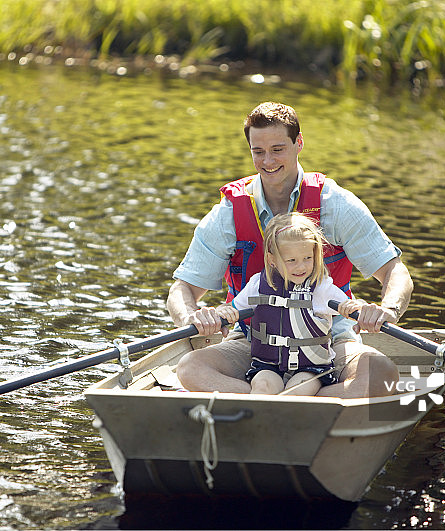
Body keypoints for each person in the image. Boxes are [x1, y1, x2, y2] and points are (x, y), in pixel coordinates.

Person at [166, 101, 412, 398]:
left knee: (382, 374)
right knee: (190, 368)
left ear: (299, 144)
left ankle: (283, 403)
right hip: (253, 340)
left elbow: (394, 272)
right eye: (258, 152)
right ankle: (285, 403)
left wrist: (387, 310)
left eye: (278, 149)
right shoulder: (229, 213)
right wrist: (192, 317)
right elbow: (183, 289)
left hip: (330, 339)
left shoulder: (337, 204)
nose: (268, 161)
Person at [215, 212, 368, 395]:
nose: (301, 267)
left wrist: (352, 308)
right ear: (272, 260)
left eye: (307, 258)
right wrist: (226, 314)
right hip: (268, 365)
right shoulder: (258, 284)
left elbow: (352, 307)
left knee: (296, 392)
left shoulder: (321, 288)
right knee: (262, 387)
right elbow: (232, 309)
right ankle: (259, 420)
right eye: (291, 261)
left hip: (310, 368)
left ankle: (287, 416)